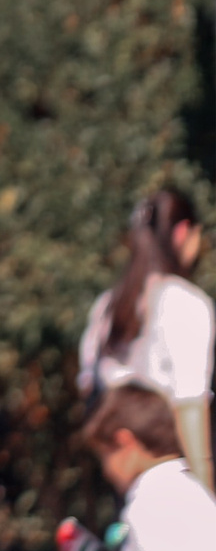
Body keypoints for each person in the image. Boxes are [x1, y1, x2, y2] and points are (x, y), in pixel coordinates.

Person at [83, 189, 215, 488]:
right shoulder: (185, 302)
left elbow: (89, 391)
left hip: (123, 470)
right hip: (171, 467)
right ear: (183, 233)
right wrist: (205, 489)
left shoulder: (106, 307)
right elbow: (190, 406)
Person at [86, 384, 216, 551]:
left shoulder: (150, 502)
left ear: (125, 443)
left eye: (104, 456)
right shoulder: (191, 489)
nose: (106, 470)